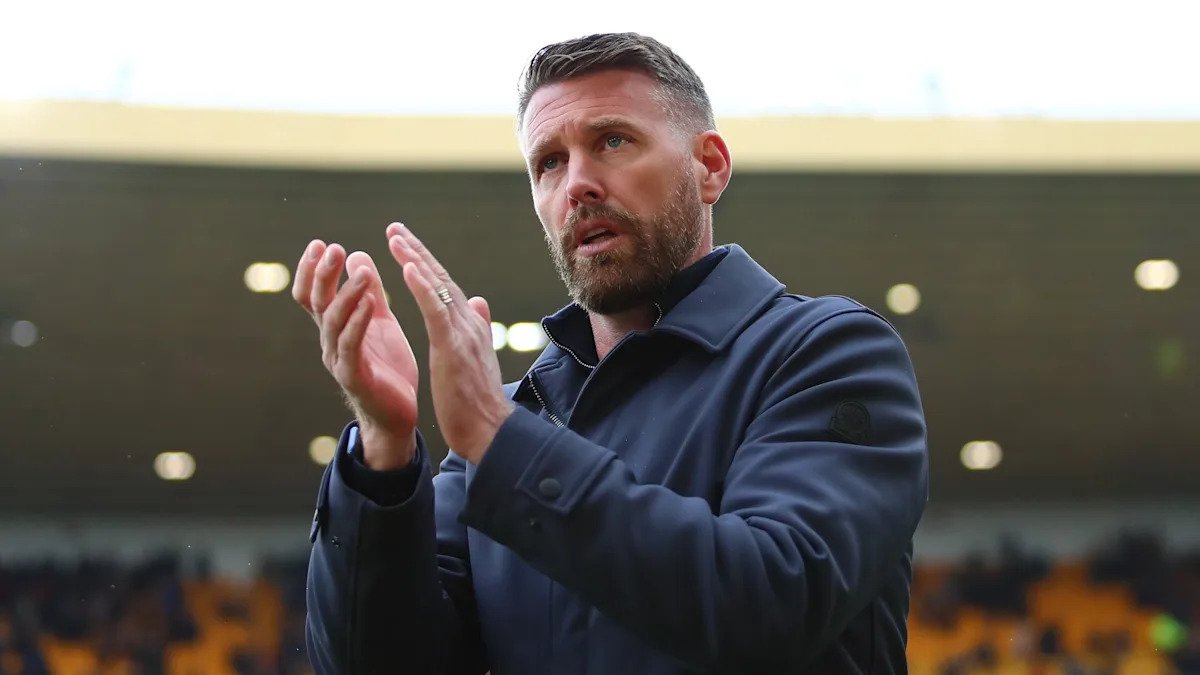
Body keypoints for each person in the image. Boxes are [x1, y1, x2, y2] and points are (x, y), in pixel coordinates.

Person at [294, 32, 929, 674]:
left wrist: (498, 437)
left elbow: (771, 603)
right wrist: (384, 450)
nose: (577, 184)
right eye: (549, 163)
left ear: (709, 167)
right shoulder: (516, 420)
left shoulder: (829, 353)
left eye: (613, 142)